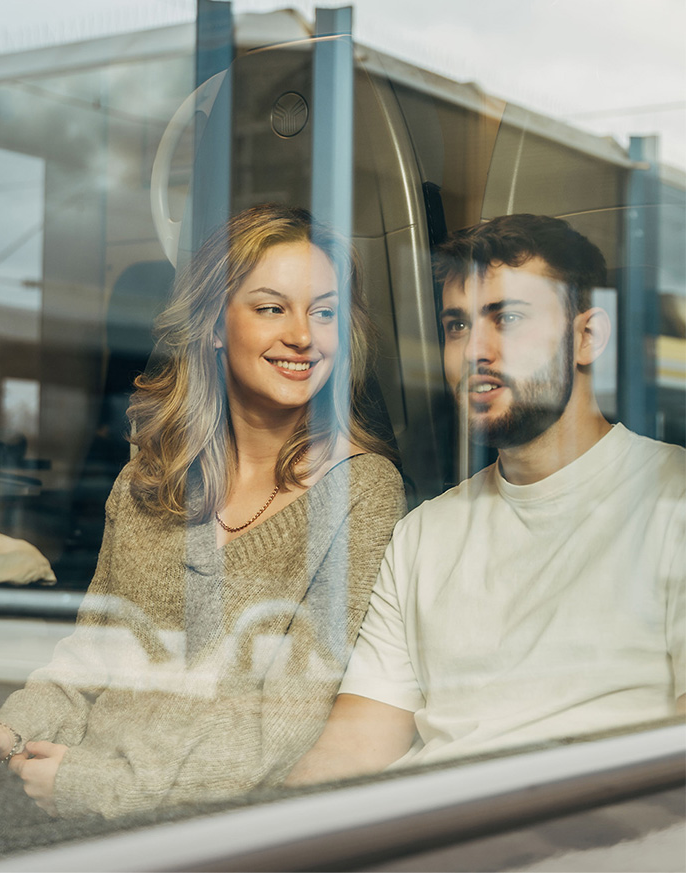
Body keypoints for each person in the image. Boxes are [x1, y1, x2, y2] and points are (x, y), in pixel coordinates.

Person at [0, 204, 406, 817]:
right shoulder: (147, 476)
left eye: (324, 312)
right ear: (216, 326)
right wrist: (9, 732)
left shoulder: (362, 490)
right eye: (272, 307)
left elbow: (283, 725)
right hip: (70, 795)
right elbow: (88, 661)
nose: (302, 334)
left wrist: (100, 788)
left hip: (188, 824)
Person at [288, 213, 685, 785]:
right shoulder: (422, 534)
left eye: (509, 319)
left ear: (587, 336)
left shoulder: (674, 500)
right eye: (456, 326)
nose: (474, 350)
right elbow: (353, 749)